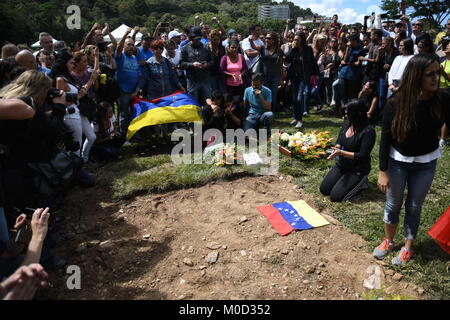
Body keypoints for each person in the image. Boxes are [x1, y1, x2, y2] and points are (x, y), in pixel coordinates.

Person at [374, 53, 450, 265]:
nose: (435, 78)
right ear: (416, 76)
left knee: (415, 206)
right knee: (393, 203)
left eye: (438, 73)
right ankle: (388, 241)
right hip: (398, 162)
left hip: (426, 162)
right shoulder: (395, 102)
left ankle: (408, 246)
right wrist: (382, 171)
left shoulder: (443, 99)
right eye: (429, 74)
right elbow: (385, 139)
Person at [320, 100, 376, 202]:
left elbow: (363, 155)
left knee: (336, 197)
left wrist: (341, 153)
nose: (345, 115)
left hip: (357, 169)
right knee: (324, 190)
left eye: (348, 113)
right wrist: (337, 147)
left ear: (358, 114)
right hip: (342, 165)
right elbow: (339, 140)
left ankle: (362, 182)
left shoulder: (368, 131)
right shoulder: (347, 123)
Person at [50, 50, 98, 164]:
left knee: (91, 137)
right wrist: (80, 94)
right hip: (70, 115)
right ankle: (76, 171)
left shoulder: (68, 77)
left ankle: (83, 160)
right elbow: (60, 102)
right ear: (64, 64)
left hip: (78, 111)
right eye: (71, 63)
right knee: (76, 145)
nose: (74, 65)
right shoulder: (60, 80)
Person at [285, 31, 319, 128]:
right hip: (294, 77)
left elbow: (313, 61)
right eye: (294, 39)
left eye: (297, 40)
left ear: (302, 40)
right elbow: (287, 60)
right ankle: (296, 117)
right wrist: (292, 48)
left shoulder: (308, 49)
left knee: (299, 98)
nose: (295, 41)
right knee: (294, 99)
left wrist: (315, 73)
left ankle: (299, 120)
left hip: (304, 77)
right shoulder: (293, 50)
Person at [114, 28, 140, 138]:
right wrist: (126, 34)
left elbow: (138, 73)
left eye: (132, 45)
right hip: (123, 91)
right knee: (123, 113)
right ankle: (124, 135)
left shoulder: (134, 57)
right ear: (124, 46)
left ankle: (133, 133)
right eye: (128, 45)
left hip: (133, 91)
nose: (131, 47)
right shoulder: (120, 56)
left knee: (134, 113)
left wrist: (137, 89)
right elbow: (118, 48)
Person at [179, 26, 213, 106]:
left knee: (208, 101)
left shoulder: (206, 47)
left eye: (199, 38)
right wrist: (192, 65)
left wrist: (206, 64)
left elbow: (212, 61)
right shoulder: (185, 48)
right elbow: (181, 63)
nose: (197, 40)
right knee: (193, 102)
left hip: (205, 79)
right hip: (192, 80)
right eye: (195, 39)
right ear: (191, 38)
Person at [260, 32, 284, 112]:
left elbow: (280, 66)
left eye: (269, 38)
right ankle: (265, 114)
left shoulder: (279, 51)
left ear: (274, 40)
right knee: (265, 96)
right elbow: (253, 47)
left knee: (273, 96)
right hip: (264, 77)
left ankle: (271, 114)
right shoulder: (263, 49)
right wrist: (251, 41)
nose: (266, 40)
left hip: (275, 76)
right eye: (266, 38)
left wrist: (281, 79)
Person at [207, 29, 226, 95]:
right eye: (215, 40)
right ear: (211, 39)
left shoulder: (222, 48)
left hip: (221, 73)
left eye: (218, 39)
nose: (217, 41)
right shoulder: (207, 48)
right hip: (211, 74)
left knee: (223, 91)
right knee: (214, 92)